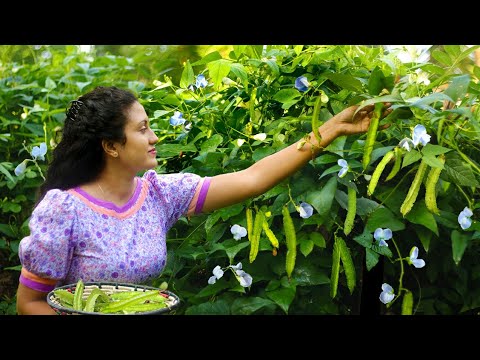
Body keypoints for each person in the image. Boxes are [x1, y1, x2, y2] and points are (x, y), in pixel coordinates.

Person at [16, 86, 391, 315]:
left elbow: (253, 178)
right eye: (142, 129)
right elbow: (29, 303)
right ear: (111, 146)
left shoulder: (159, 194)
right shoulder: (64, 210)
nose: (154, 137)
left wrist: (332, 128)